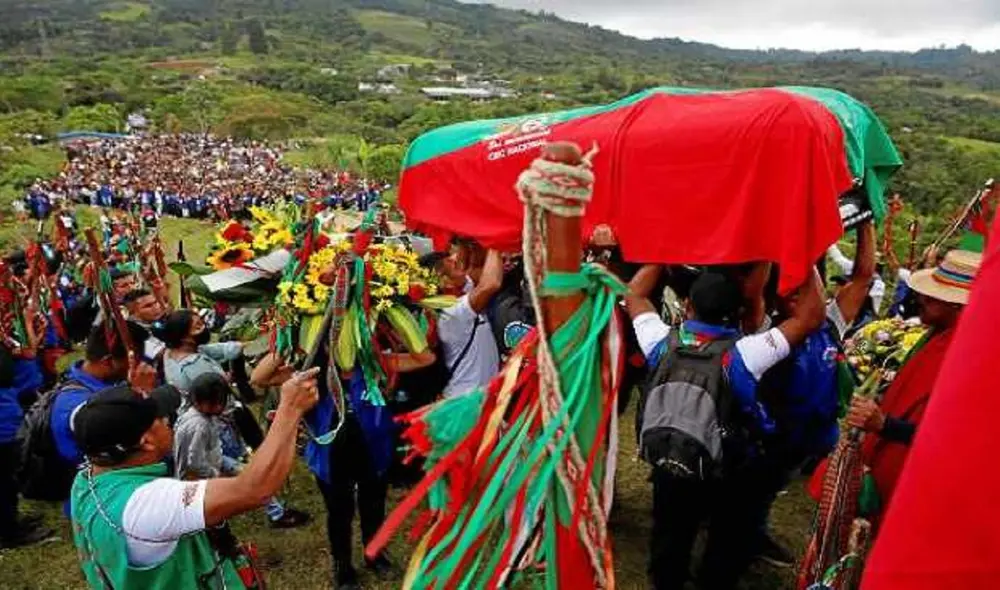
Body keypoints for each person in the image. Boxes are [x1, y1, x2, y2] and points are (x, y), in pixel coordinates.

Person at [626, 264, 826, 590]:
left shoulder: (661, 341)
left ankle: (666, 582)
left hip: (671, 461)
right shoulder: (746, 354)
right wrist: (804, 257)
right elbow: (810, 318)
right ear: (738, 313)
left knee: (669, 536)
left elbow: (634, 293)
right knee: (725, 544)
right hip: (729, 469)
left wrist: (661, 253)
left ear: (688, 305)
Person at [69, 368, 320, 589]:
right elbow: (255, 489)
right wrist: (291, 408)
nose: (172, 421)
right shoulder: (145, 505)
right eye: (163, 418)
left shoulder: (87, 477)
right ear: (145, 442)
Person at [846, 250, 978, 521]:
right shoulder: (936, 337)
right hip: (890, 465)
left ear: (957, 306)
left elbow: (957, 438)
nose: (921, 298)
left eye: (934, 296)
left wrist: (885, 424)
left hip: (919, 487)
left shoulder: (971, 357)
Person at [154, 310, 309, 528]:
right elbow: (218, 397)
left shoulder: (172, 353)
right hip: (218, 425)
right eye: (197, 326)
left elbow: (221, 350)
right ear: (185, 337)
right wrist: (225, 382)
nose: (204, 327)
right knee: (243, 467)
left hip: (204, 422)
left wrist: (261, 341)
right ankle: (273, 511)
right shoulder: (195, 365)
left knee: (227, 467)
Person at [51, 321, 156, 490]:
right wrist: (141, 395)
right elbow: (136, 443)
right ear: (108, 361)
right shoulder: (78, 406)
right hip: (106, 492)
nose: (139, 366)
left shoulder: (105, 381)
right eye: (134, 360)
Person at [426, 244, 502, 398]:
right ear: (443, 282)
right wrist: (497, 242)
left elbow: (476, 269)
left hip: (482, 398)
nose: (456, 259)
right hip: (465, 404)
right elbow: (491, 284)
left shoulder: (460, 293)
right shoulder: (450, 314)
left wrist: (468, 239)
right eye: (450, 263)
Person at [0, 339, 53, 548]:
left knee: (7, 477)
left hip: (6, 416)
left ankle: (11, 522)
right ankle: (7, 533)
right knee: (2, 479)